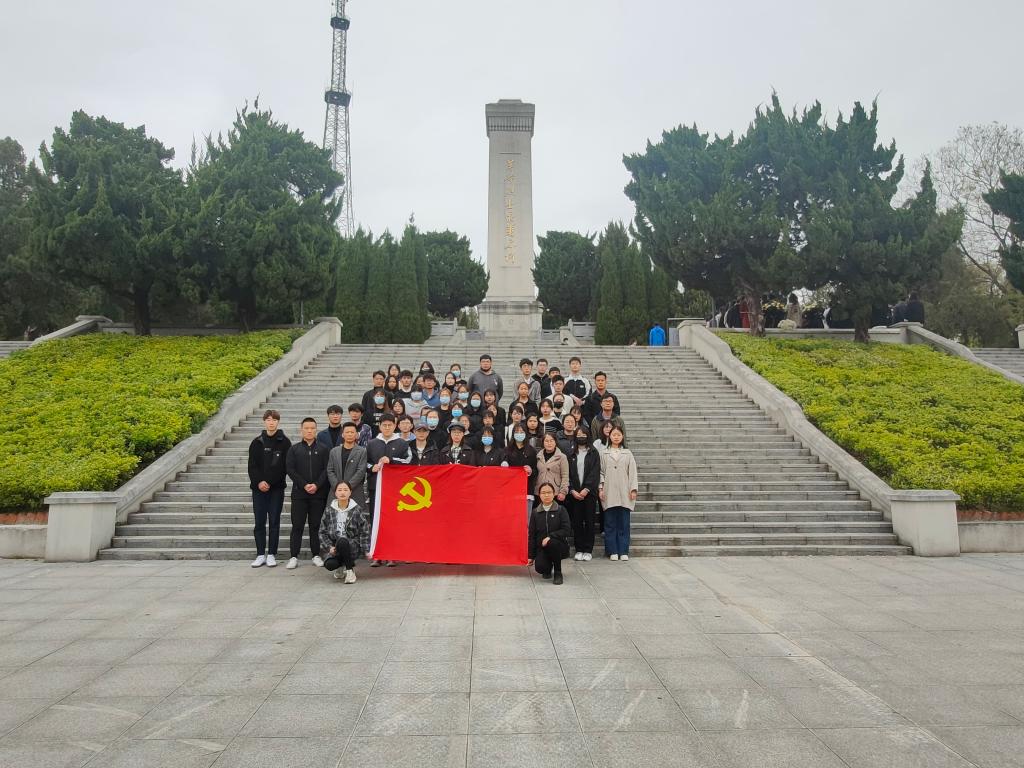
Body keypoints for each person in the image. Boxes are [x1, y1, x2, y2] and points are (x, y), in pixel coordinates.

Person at [285, 417, 331, 570]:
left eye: (312, 428)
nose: (309, 431)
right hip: (299, 494)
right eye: (306, 428)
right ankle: (293, 556)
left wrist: (317, 485)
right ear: (301, 430)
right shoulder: (294, 449)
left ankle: (316, 555)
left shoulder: (324, 449)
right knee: (297, 525)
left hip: (318, 494)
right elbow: (290, 469)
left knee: (315, 525)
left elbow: (326, 469)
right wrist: (304, 485)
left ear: (316, 430)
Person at [247, 409, 291, 568]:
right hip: (258, 489)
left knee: (274, 521)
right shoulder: (256, 442)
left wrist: (270, 482)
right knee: (259, 521)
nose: (271, 422)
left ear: (278, 422)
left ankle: (272, 554)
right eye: (268, 420)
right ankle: (260, 554)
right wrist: (259, 482)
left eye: (274, 420)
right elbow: (252, 466)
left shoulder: (285, 442)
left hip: (276, 489)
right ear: (264, 421)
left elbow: (284, 467)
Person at [599, 426, 638, 561]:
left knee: (624, 523)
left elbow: (632, 472)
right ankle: (612, 551)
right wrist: (600, 488)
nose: (616, 437)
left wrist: (633, 489)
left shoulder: (627, 453)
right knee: (610, 523)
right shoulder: (604, 453)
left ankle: (623, 550)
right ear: (609, 436)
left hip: (624, 491)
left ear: (622, 437)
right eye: (614, 435)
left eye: (618, 435)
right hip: (609, 491)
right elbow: (601, 472)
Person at [318, 481, 368, 584]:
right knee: (330, 565)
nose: (342, 492)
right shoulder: (329, 510)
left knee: (342, 541)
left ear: (350, 492)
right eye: (339, 490)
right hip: (335, 547)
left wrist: (365, 549)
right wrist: (329, 547)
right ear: (335, 493)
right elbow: (322, 531)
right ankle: (341, 566)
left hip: (352, 545)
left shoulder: (356, 509)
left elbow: (364, 530)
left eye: (345, 490)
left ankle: (350, 571)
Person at [527, 482, 571, 585]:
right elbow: (532, 535)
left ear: (554, 494)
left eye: (549, 492)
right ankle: (548, 567)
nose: (546, 495)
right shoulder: (535, 512)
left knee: (552, 543)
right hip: (542, 547)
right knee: (541, 568)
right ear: (539, 495)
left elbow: (566, 530)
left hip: (559, 546)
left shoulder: (561, 510)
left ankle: (558, 572)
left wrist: (551, 536)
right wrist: (531, 556)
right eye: (543, 493)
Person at [567, 428, 601, 561]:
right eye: (578, 434)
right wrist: (572, 490)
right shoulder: (571, 453)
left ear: (588, 436)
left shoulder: (593, 452)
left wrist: (586, 488)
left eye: (583, 434)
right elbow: (568, 473)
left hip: (589, 494)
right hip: (575, 494)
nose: (581, 437)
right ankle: (579, 549)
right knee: (577, 522)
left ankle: (588, 549)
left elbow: (595, 472)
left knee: (589, 521)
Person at [327, 423, 368, 508]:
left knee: (355, 515)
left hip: (355, 491)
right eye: (347, 432)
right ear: (342, 434)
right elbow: (330, 470)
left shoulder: (362, 451)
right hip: (336, 491)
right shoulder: (334, 451)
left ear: (356, 435)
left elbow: (361, 471)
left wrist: (347, 487)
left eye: (352, 432)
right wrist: (338, 487)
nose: (349, 434)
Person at [503, 425, 538, 513]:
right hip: (511, 489)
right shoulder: (507, 450)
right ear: (513, 434)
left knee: (525, 517)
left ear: (526, 434)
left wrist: (531, 471)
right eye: (517, 432)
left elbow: (536, 471)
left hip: (526, 489)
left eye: (521, 432)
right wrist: (504, 465)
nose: (519, 434)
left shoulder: (531, 451)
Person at [535, 432, 569, 505]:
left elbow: (565, 475)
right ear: (543, 443)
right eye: (546, 441)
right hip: (540, 492)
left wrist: (563, 492)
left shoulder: (562, 457)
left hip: (556, 492)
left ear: (555, 442)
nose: (549, 443)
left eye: (551, 441)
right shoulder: (538, 456)